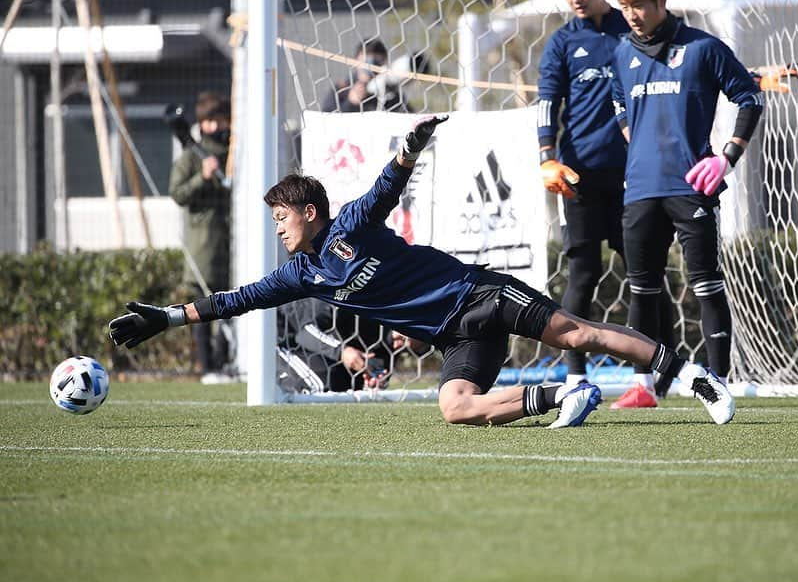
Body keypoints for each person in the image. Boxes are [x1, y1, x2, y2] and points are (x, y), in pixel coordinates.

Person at [111, 115, 734, 427]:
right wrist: (166, 316)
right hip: (456, 336)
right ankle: (567, 394)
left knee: (579, 333)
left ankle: (691, 376)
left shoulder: (350, 224)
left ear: (309, 211)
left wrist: (409, 149)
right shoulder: (300, 273)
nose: (278, 227)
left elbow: (386, 187)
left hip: (477, 294)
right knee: (454, 407)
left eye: (282, 216)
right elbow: (235, 300)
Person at [609, 0, 765, 395]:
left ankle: (719, 381)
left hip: (691, 186)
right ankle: (643, 386)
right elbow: (618, 98)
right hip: (639, 188)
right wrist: (635, 139)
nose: (632, 14)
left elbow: (750, 96)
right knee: (641, 290)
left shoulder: (703, 49)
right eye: (625, 7)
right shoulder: (622, 53)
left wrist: (727, 157)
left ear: (663, 0)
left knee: (706, 285)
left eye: (639, 5)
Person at [536, 0, 675, 409]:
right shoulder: (561, 43)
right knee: (583, 274)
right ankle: (575, 377)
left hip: (636, 176)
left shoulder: (629, 30)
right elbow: (547, 102)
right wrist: (547, 157)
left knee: (647, 274)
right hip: (578, 179)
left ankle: (656, 377)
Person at [168, 91, 234, 384]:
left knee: (234, 304)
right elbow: (178, 193)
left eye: (223, 119)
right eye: (213, 120)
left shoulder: (233, 152)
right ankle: (209, 368)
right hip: (204, 245)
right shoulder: (191, 157)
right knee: (204, 306)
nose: (219, 126)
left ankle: (225, 363)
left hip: (232, 242)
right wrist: (203, 177)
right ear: (203, 123)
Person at [276, 298, 419, 393]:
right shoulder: (352, 296)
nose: (400, 346)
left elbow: (380, 371)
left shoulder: (391, 344)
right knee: (319, 387)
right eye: (403, 338)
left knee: (350, 390)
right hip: (284, 340)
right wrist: (342, 351)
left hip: (324, 356)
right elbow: (305, 333)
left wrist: (375, 381)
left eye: (407, 349)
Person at [320, 39, 408, 114]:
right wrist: (351, 103)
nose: (370, 62)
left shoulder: (392, 93)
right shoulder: (341, 89)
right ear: (356, 60)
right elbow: (327, 120)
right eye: (366, 56)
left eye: (376, 58)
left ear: (384, 61)